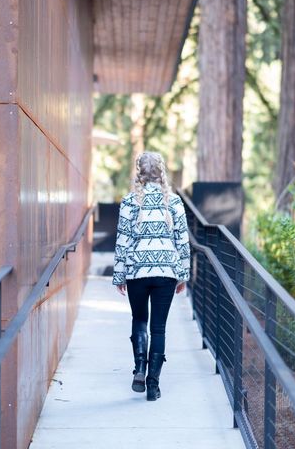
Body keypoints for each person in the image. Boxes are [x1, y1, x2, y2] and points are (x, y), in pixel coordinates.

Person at [112, 151, 190, 401]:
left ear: (139, 173)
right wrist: (182, 275)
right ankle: (153, 385)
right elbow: (183, 242)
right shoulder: (175, 202)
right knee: (159, 328)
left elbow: (122, 241)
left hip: (137, 272)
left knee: (139, 320)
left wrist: (120, 275)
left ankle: (140, 369)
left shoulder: (129, 201)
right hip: (166, 272)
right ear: (162, 172)